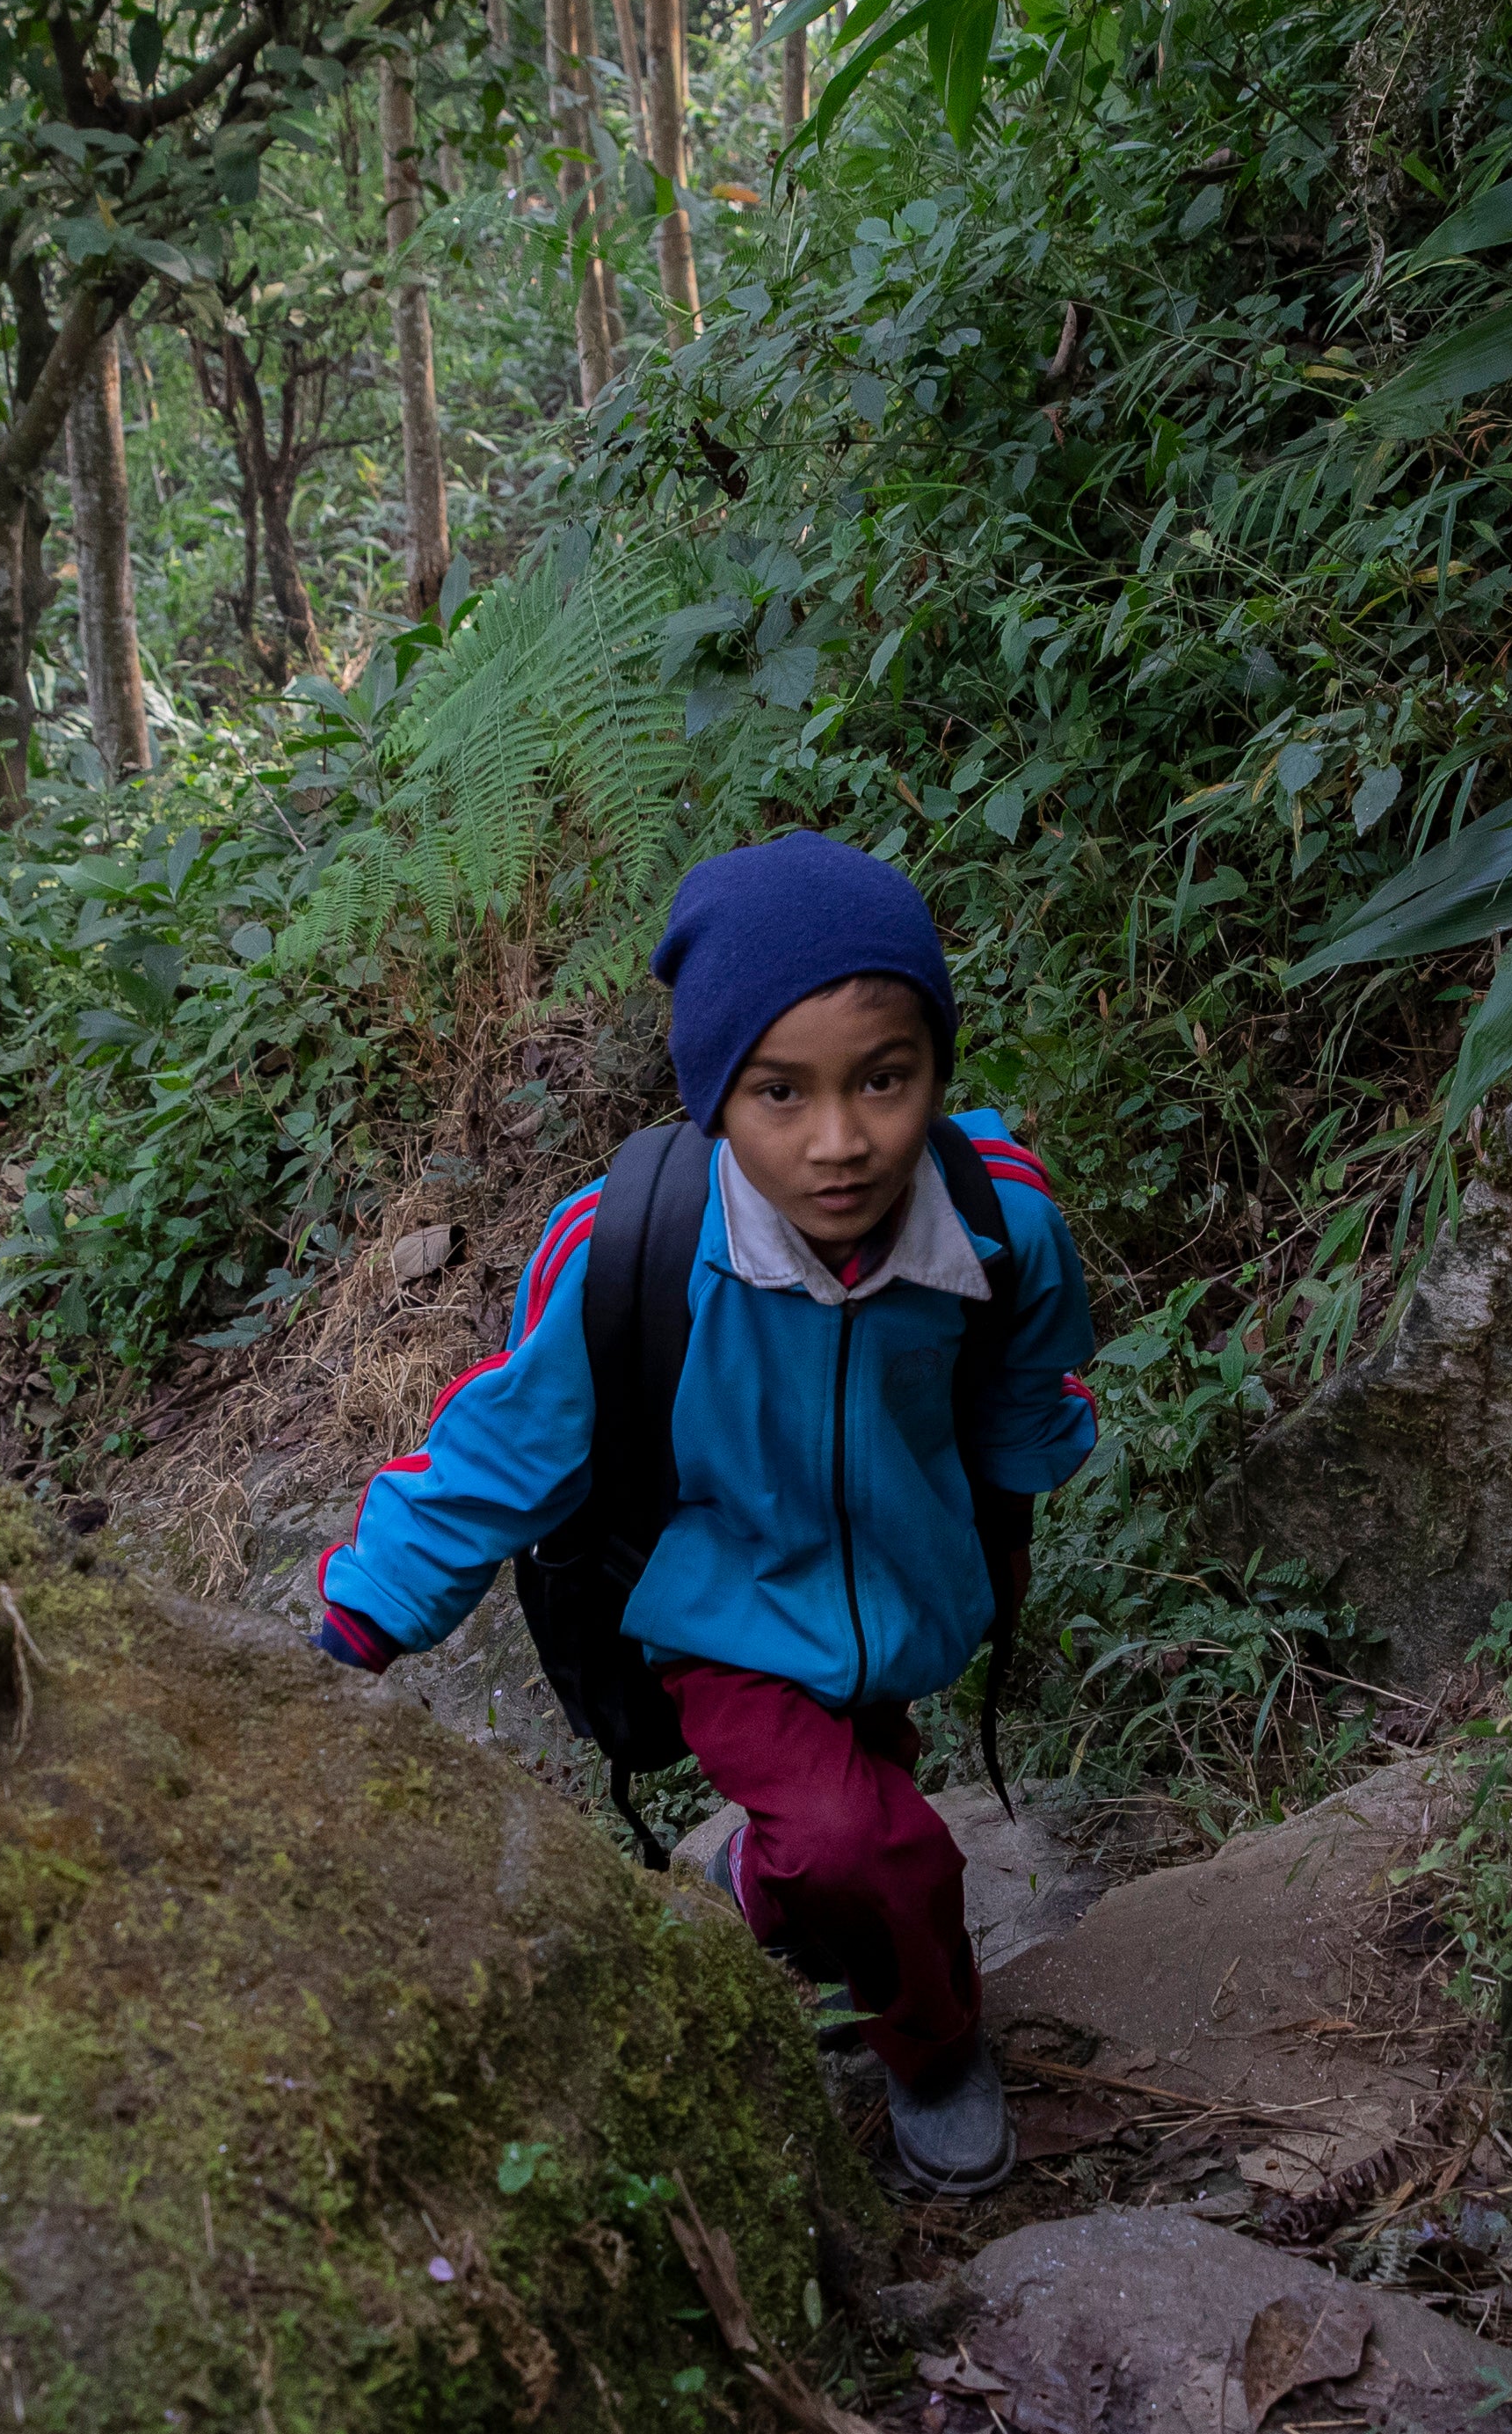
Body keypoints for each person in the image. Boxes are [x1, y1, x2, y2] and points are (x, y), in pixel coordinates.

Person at [313, 831, 1098, 2195]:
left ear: (935, 1073)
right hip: (722, 1613)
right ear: (711, 1101)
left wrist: (1023, 1484)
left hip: (908, 1603)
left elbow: (1028, 1375)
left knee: (854, 1808)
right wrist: (361, 1620)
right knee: (873, 1840)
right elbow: (501, 1450)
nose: (839, 1140)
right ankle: (931, 2041)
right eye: (778, 1093)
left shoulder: (992, 1219)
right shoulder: (637, 1247)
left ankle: (763, 1891)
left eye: (885, 1081)